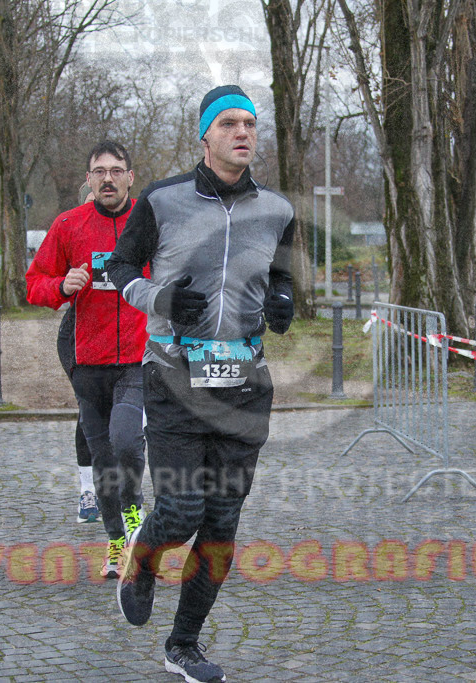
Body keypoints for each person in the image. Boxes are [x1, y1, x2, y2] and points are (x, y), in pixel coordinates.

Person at [106, 84, 295, 683]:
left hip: (243, 385)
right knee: (183, 507)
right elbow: (119, 268)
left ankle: (182, 644)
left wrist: (285, 301)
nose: (244, 133)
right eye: (231, 124)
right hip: (174, 378)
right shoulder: (162, 200)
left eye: (251, 125)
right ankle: (142, 559)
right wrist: (161, 297)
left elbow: (284, 275)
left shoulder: (278, 210)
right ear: (205, 135)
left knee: (221, 524)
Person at [26, 141, 148, 577]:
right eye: (100, 171)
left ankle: (136, 518)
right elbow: (34, 282)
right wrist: (62, 285)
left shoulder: (148, 222)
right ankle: (118, 542)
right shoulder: (69, 225)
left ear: (131, 178)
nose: (108, 179)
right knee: (102, 460)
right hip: (87, 362)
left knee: (128, 443)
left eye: (117, 170)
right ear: (89, 179)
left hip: (136, 358)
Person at [57, 184, 98, 524]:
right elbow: (45, 280)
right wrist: (62, 282)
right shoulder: (71, 234)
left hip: (126, 334)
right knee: (89, 408)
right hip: (77, 335)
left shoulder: (130, 231)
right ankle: (88, 491)